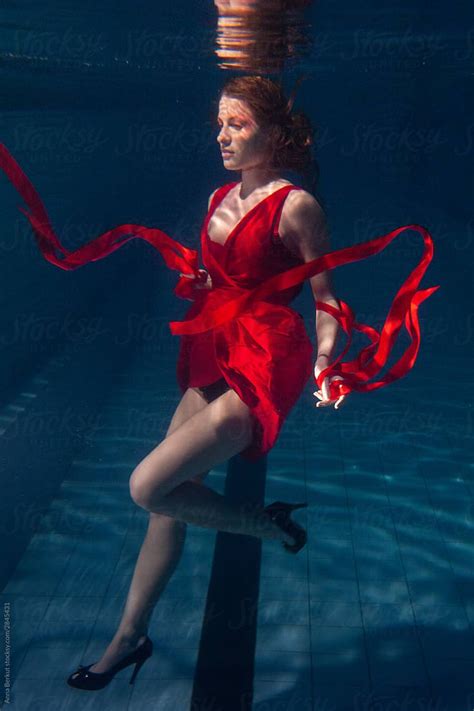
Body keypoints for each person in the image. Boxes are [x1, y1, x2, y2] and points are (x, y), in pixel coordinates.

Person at [0, 75, 438, 691]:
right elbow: (224, 274)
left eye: (237, 125)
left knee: (148, 486)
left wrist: (326, 361)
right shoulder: (216, 197)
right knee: (169, 507)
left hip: (265, 360)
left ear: (277, 135)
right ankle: (130, 639)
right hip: (214, 347)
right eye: (220, 124)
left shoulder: (297, 206)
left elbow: (326, 297)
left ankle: (265, 524)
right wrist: (206, 287)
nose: (222, 136)